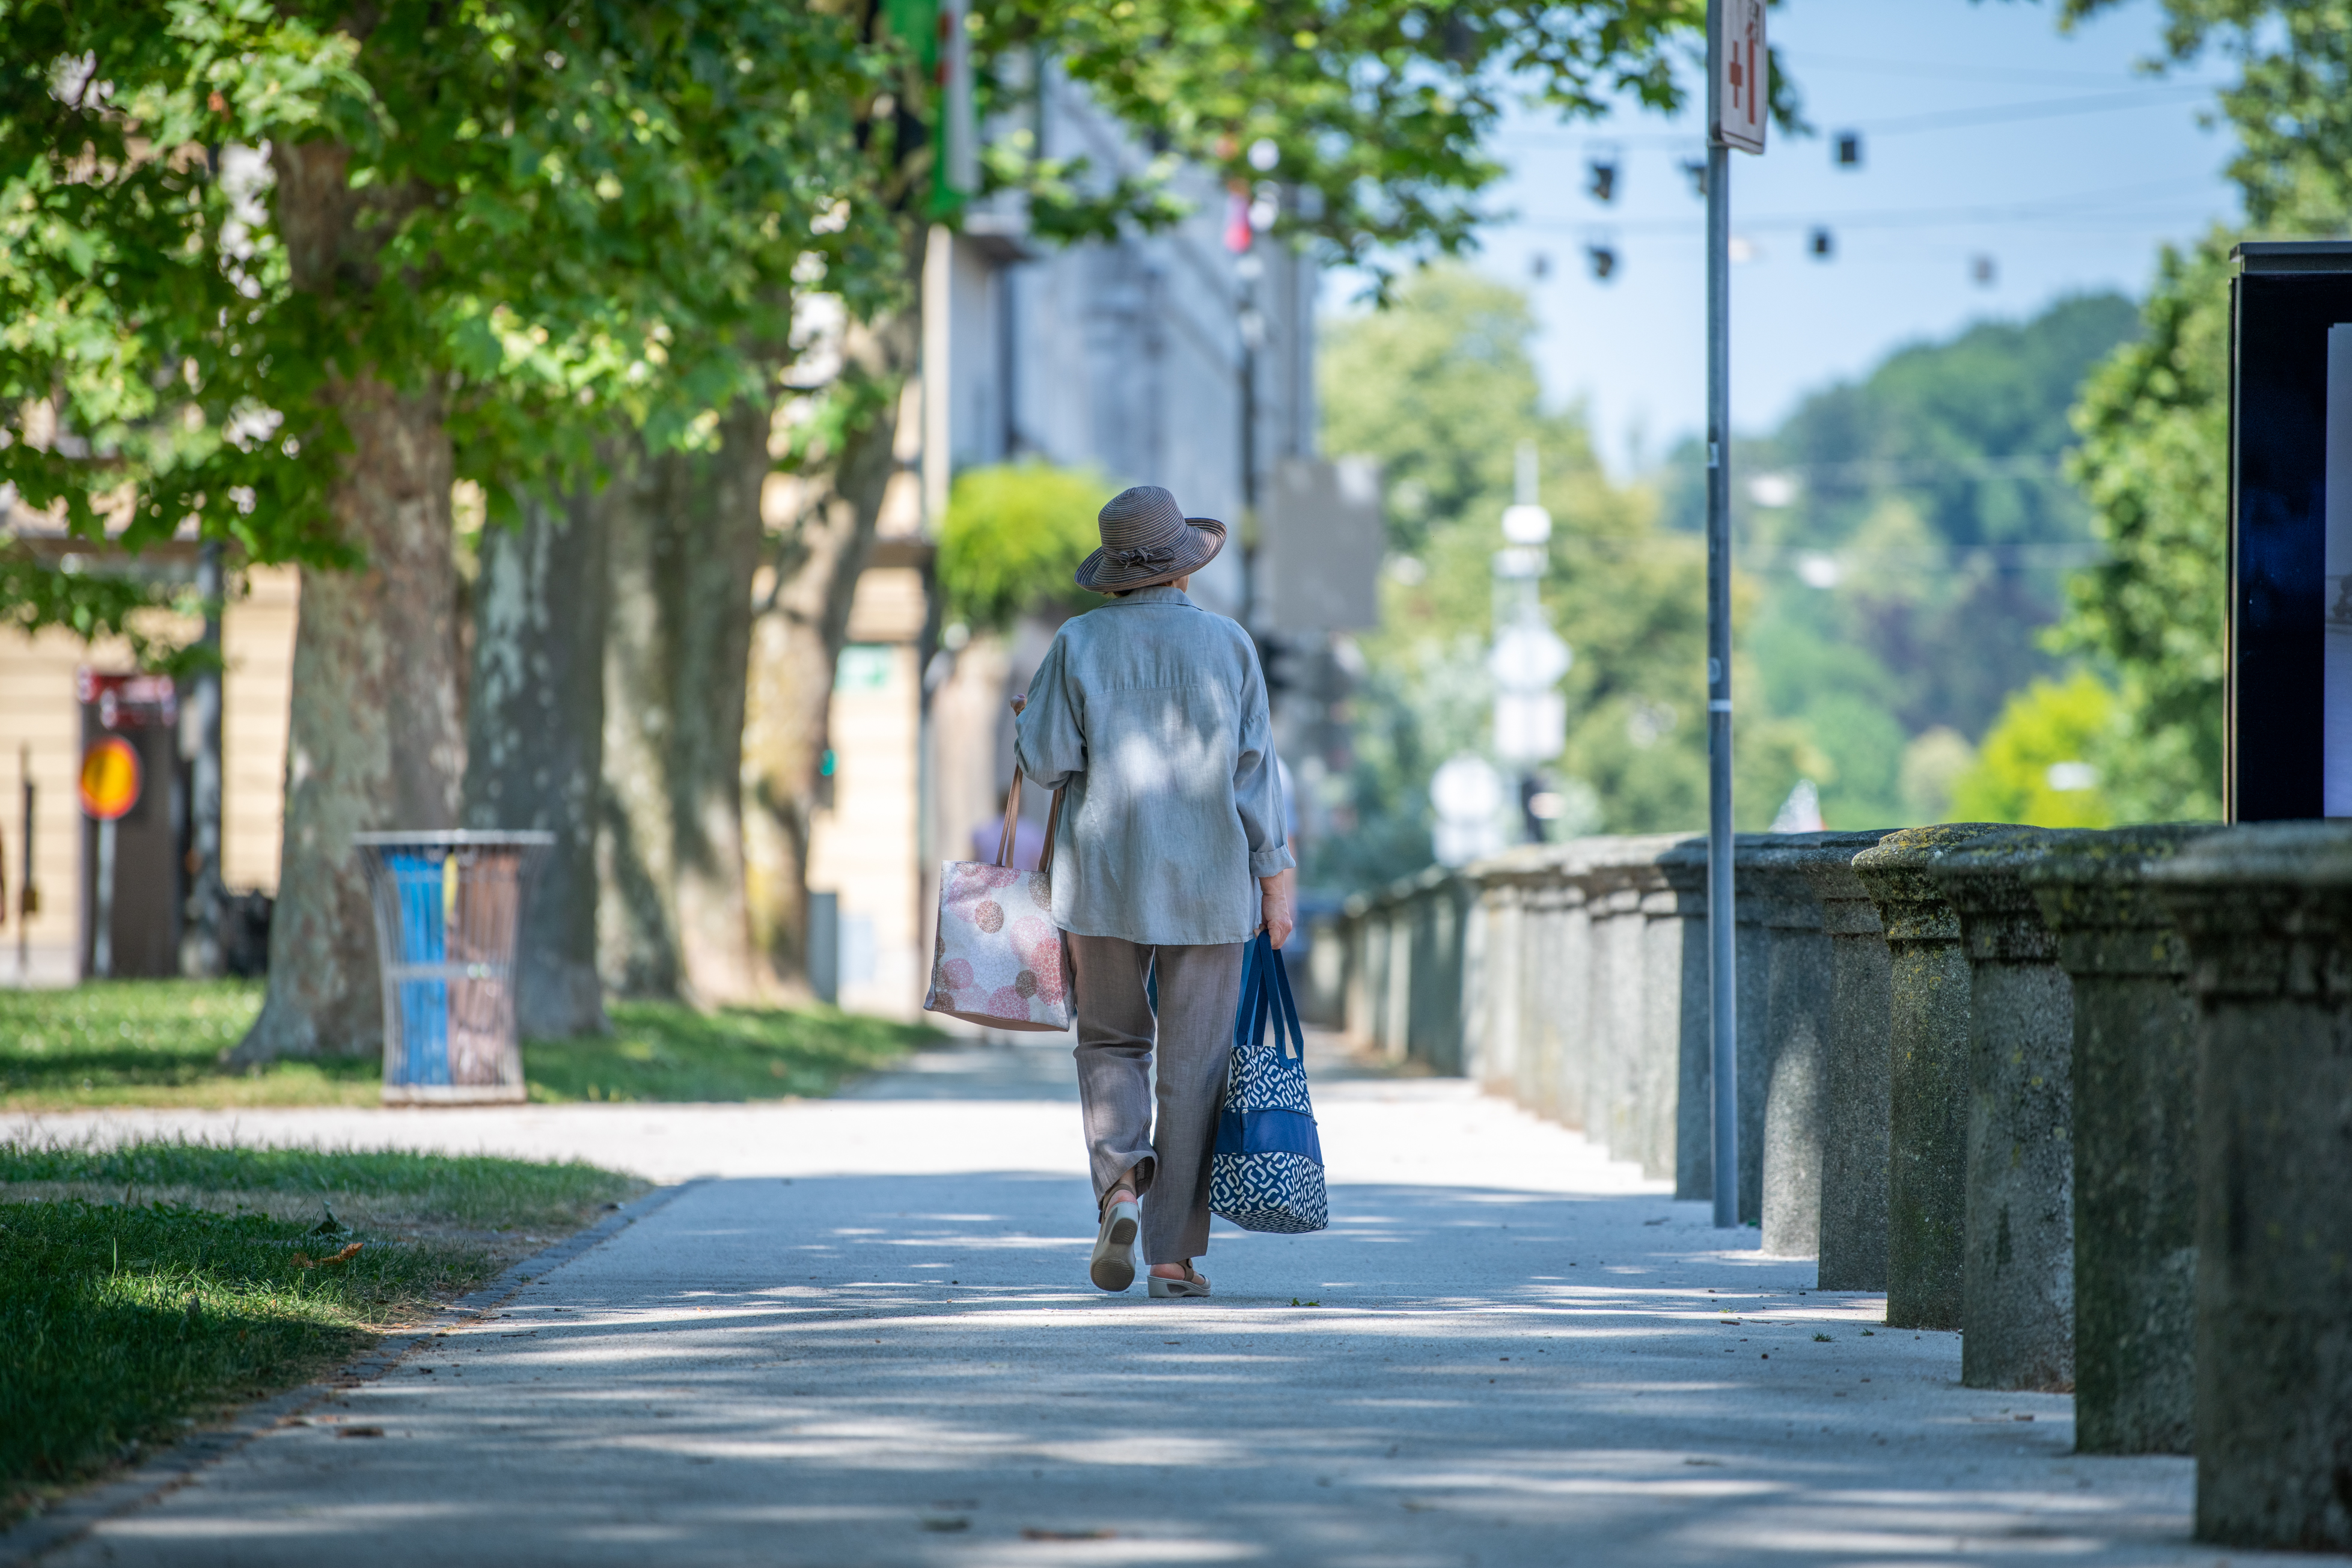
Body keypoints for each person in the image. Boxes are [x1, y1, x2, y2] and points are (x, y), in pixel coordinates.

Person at [1013, 484, 1295, 1298]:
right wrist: (1274, 875)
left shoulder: (1075, 642)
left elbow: (1046, 763)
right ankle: (1172, 1253)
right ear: (1182, 569)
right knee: (1195, 1063)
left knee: (1108, 1040)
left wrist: (1028, 719)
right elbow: (1254, 776)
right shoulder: (1229, 645)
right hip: (1210, 882)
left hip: (1103, 877)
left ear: (1113, 572)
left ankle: (1120, 1188)